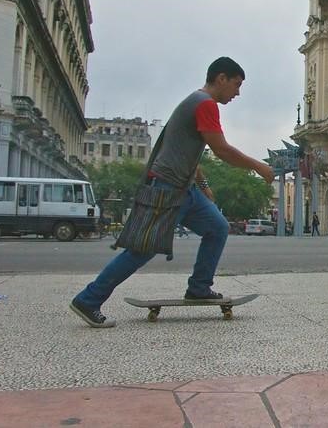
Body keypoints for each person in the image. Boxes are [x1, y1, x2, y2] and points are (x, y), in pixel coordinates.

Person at [69, 57, 275, 328]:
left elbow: (190, 151)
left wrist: (202, 187)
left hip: (185, 190)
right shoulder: (205, 104)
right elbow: (221, 149)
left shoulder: (196, 102)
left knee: (217, 228)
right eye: (236, 85)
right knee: (141, 251)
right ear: (221, 78)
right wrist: (259, 166)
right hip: (167, 188)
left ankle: (199, 287)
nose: (237, 93)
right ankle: (89, 299)